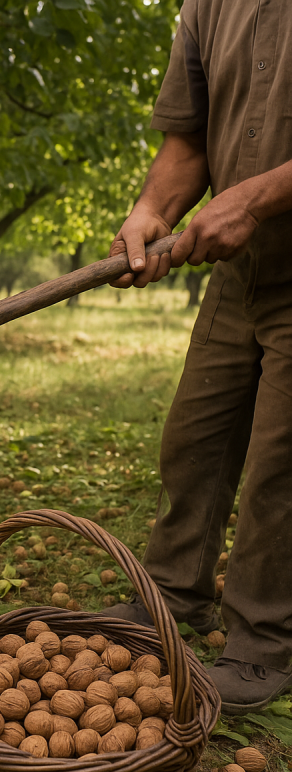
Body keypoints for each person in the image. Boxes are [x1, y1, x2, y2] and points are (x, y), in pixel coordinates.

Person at [104, 0, 292, 715]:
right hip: (236, 277)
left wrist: (252, 199)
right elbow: (186, 145)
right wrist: (151, 210)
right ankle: (174, 599)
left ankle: (262, 642)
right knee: (193, 443)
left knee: (279, 465)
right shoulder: (207, 5)